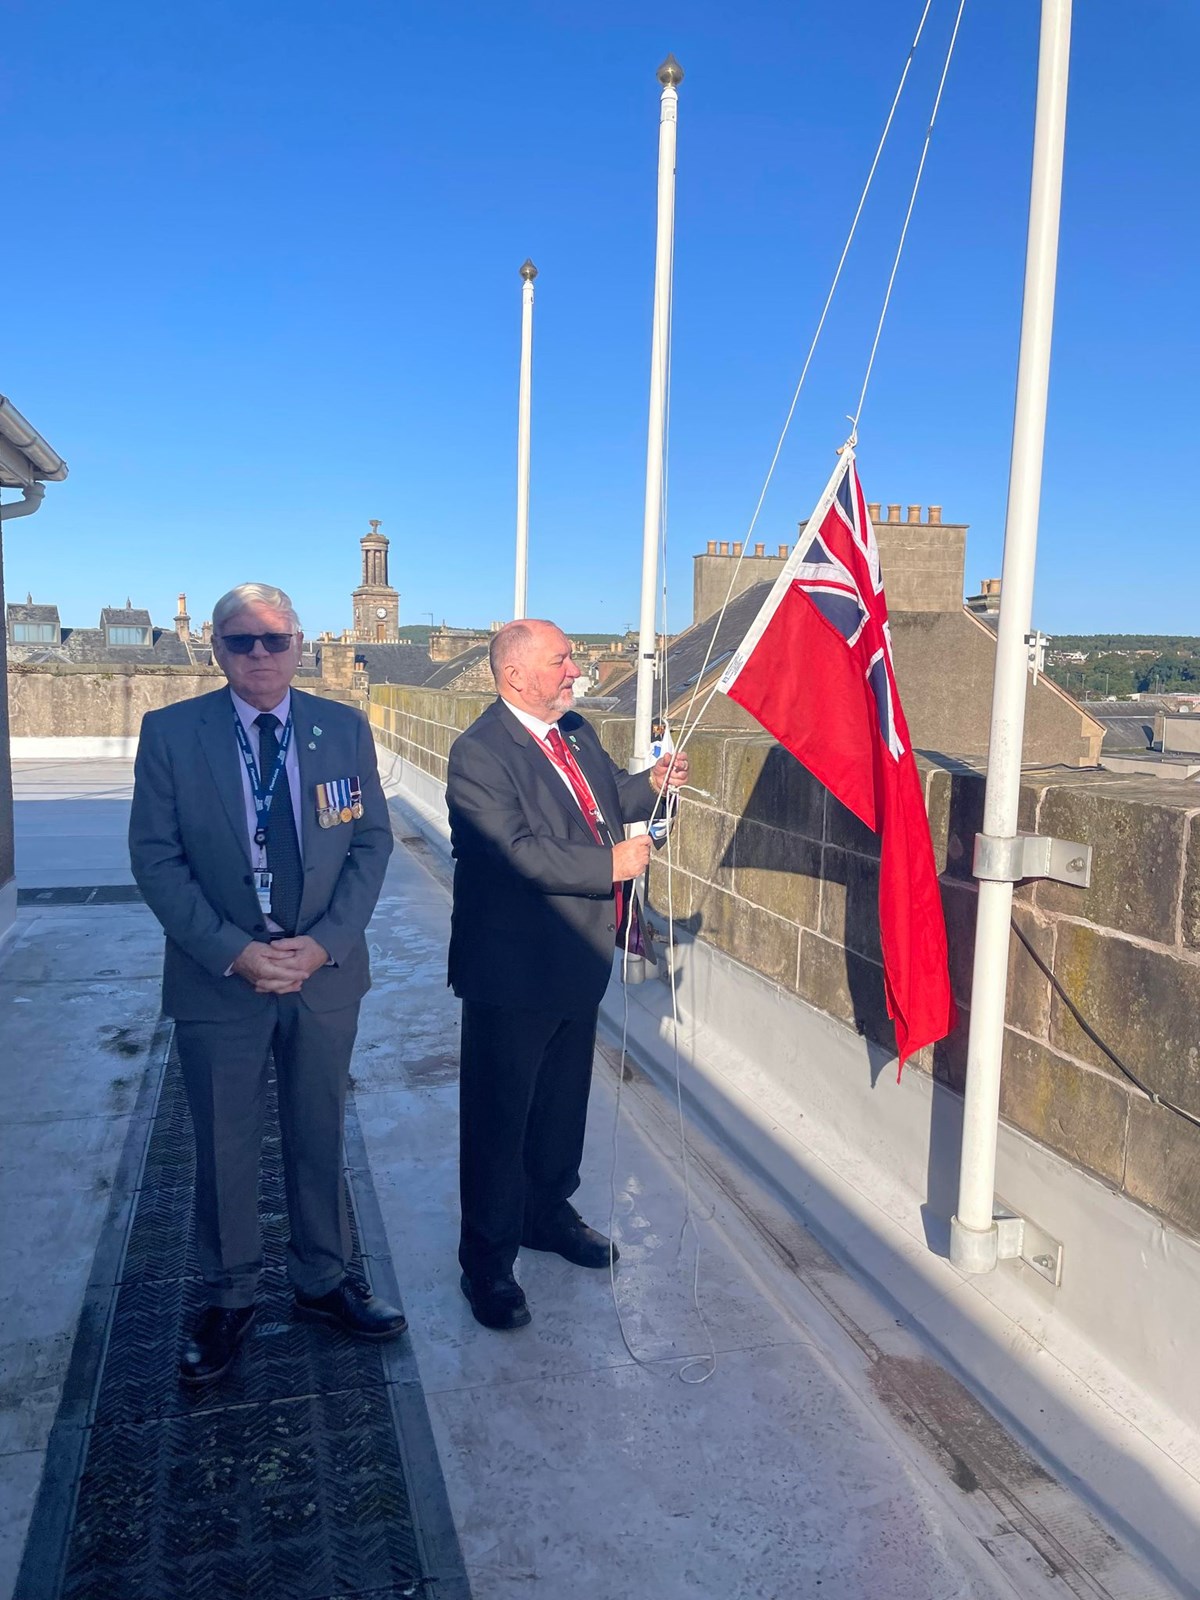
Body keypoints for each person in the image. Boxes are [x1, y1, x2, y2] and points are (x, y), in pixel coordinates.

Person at [129, 582, 405, 1385]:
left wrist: (323, 944)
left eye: (273, 640)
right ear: (215, 647)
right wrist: (233, 951)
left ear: (299, 645)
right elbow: (155, 858)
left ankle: (323, 1280)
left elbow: (370, 846)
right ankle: (230, 1296)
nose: (258, 654)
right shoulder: (172, 733)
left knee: (319, 1130)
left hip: (322, 976)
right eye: (240, 640)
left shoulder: (341, 729)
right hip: (221, 980)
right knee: (224, 1142)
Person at [445, 619, 688, 1330]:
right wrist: (606, 866)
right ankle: (486, 1266)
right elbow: (509, 851)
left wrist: (653, 785)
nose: (575, 669)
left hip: (579, 958)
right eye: (562, 659)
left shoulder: (576, 731)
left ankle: (546, 1216)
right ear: (516, 674)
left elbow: (609, 796)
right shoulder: (480, 753)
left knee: (559, 1106)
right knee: (499, 1121)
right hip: (511, 971)